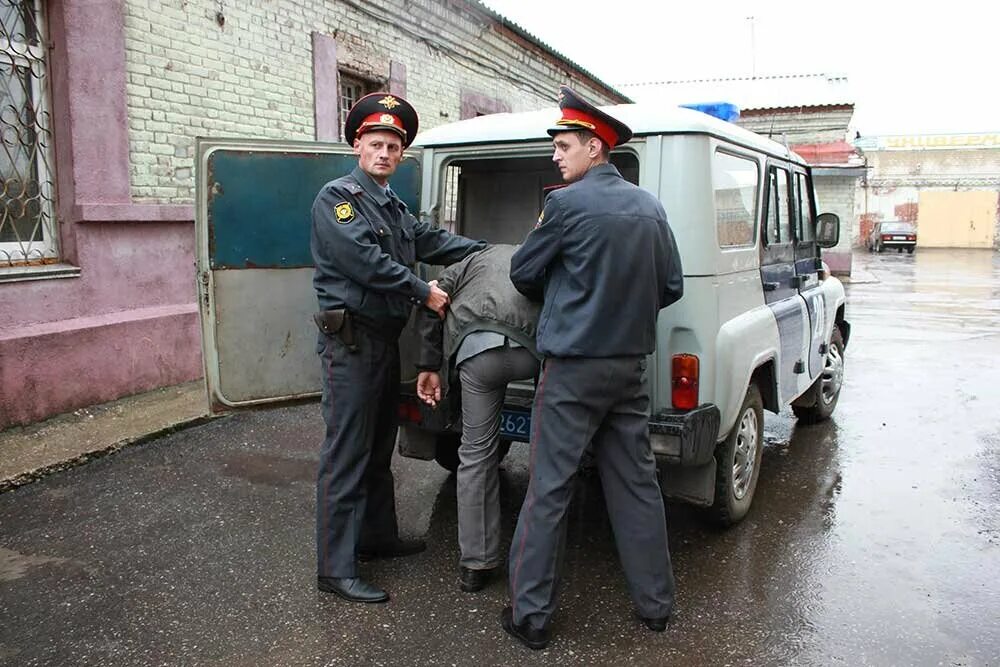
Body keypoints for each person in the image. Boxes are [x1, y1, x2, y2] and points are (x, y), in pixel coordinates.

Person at [501, 86, 685, 649]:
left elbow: (522, 272)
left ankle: (530, 618)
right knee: (635, 484)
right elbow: (671, 285)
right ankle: (656, 607)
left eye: (564, 145)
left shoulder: (563, 206)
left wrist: (570, 291)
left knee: (549, 489)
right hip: (628, 370)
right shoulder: (650, 207)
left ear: (595, 148)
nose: (556, 154)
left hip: (573, 370)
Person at [311, 92, 485, 604]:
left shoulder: (391, 204)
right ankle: (334, 567)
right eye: (375, 143)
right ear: (357, 147)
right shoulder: (337, 199)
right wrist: (423, 290)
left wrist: (489, 250)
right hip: (351, 343)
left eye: (393, 146)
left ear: (402, 155)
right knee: (345, 454)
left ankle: (377, 537)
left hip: (383, 343)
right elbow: (363, 261)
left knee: (378, 448)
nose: (384, 152)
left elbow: (430, 240)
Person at [412, 244, 541, 593]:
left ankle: (476, 563)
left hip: (477, 352)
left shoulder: (467, 262)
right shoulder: (535, 255)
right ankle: (540, 561)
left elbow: (432, 303)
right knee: (548, 454)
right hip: (531, 352)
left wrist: (429, 365)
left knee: (476, 453)